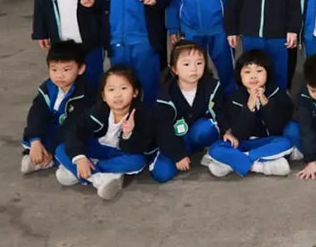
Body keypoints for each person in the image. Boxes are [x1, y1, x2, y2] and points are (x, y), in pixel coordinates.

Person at [54, 65, 153, 200]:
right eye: (111, 90)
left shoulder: (143, 114)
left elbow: (139, 147)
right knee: (61, 148)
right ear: (104, 96)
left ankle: (84, 171)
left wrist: (127, 134)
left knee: (138, 161)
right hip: (99, 147)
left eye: (124, 88)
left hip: (120, 152)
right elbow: (75, 129)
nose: (117, 95)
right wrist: (80, 158)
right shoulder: (98, 110)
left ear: (135, 92)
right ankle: (100, 178)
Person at [204, 50, 294, 177]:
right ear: (239, 76)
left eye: (259, 71)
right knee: (216, 148)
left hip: (267, 142)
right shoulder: (235, 98)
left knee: (285, 142)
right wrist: (249, 107)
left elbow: (277, 127)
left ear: (268, 73)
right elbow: (239, 134)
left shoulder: (277, 93)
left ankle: (233, 162)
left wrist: (265, 103)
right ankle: (258, 166)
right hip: (242, 143)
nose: (253, 76)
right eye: (247, 72)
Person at [149, 40, 229, 183]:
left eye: (199, 63)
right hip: (175, 139)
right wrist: (178, 155)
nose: (193, 69)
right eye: (186, 64)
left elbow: (221, 111)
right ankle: (183, 153)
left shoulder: (212, 86)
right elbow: (163, 129)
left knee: (205, 129)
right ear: (174, 69)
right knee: (161, 174)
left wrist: (227, 131)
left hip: (198, 134)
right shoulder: (165, 96)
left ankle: (209, 150)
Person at [21, 41, 95, 175]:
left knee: (70, 145)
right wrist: (35, 140)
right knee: (31, 132)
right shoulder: (48, 88)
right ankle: (42, 154)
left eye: (66, 70)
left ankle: (49, 158)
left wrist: (50, 149)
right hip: (55, 128)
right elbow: (37, 114)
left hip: (74, 131)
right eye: (54, 69)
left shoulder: (84, 94)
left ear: (80, 69)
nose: (59, 75)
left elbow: (72, 126)